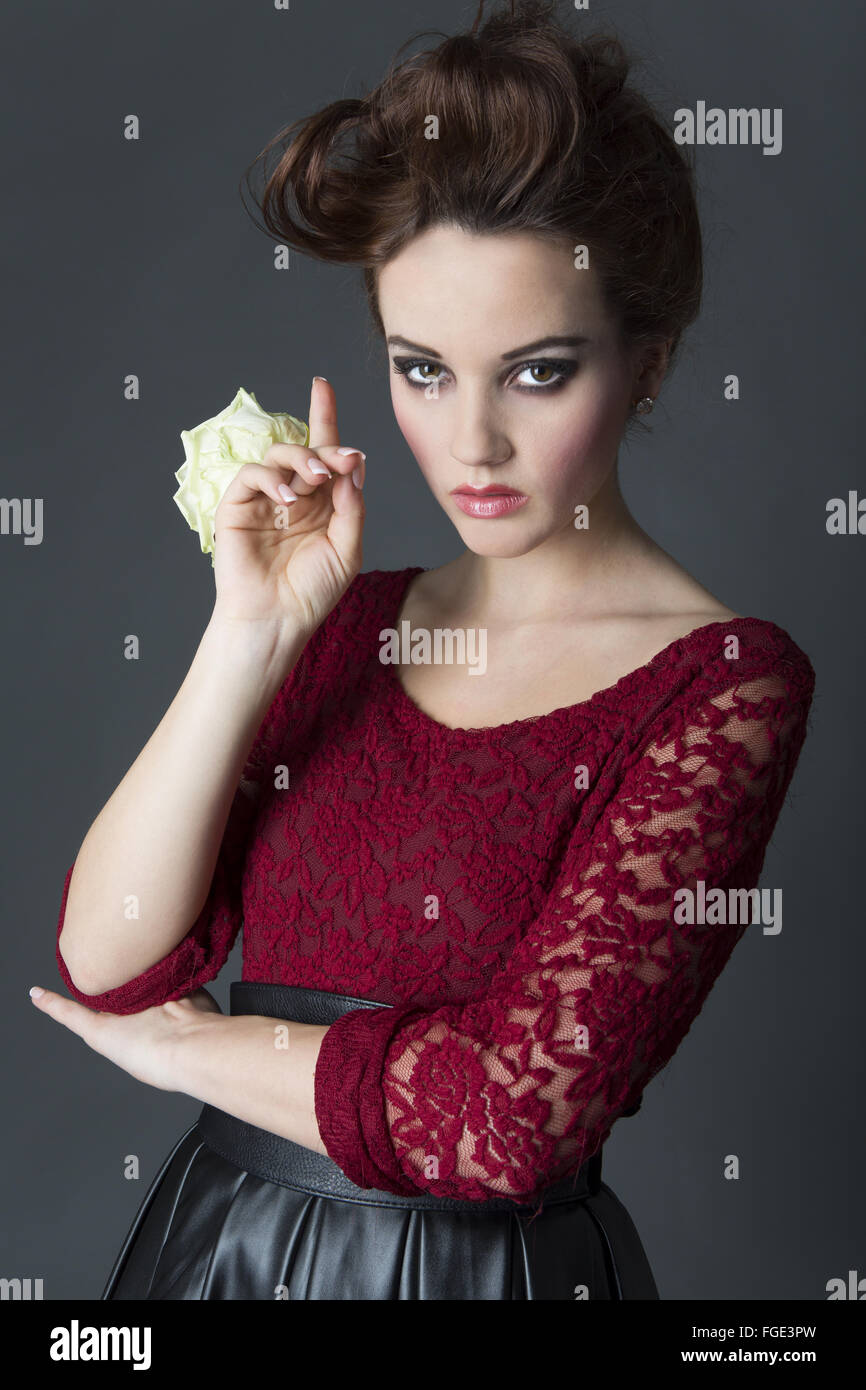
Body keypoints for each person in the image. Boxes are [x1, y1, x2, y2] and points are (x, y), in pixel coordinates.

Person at [37, 0, 814, 1300]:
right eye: (422, 368)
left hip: (477, 1275)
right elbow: (110, 957)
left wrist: (188, 1056)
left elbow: (507, 1120)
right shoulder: (337, 619)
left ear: (650, 360)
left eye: (538, 370)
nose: (470, 445)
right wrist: (250, 634)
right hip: (214, 1256)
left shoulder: (723, 687)